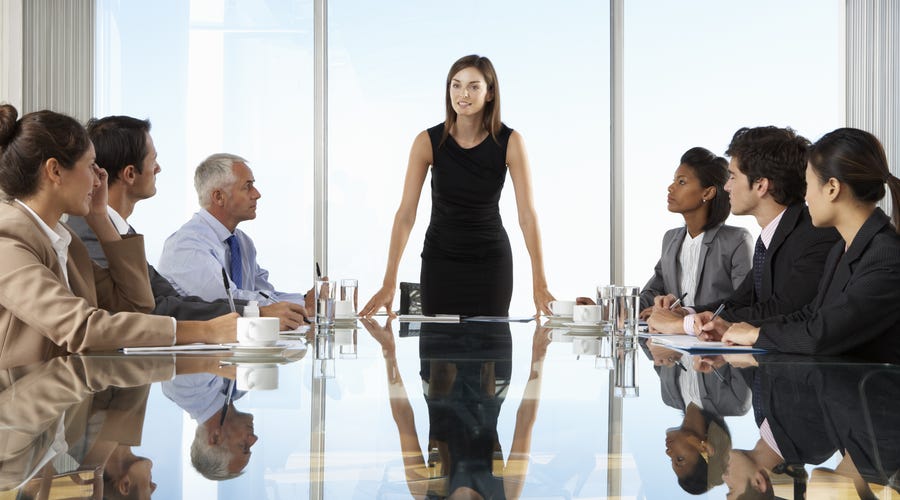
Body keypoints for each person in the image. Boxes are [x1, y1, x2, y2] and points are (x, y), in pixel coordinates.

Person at [0, 104, 236, 368]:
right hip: (17, 403)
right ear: (55, 171)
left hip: (63, 401)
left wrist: (100, 220)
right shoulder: (7, 242)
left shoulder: (65, 241)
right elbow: (80, 328)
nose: (99, 180)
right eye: (91, 166)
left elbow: (135, 306)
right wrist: (204, 331)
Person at [67, 116, 308, 330]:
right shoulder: (90, 232)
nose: (159, 168)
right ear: (130, 174)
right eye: (153, 161)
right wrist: (254, 315)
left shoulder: (121, 231)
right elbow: (148, 310)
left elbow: (171, 300)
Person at [360, 54, 554, 318]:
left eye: (474, 86)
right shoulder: (426, 142)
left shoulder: (510, 142)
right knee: (438, 351)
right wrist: (388, 282)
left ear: (489, 93)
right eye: (456, 84)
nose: (463, 93)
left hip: (491, 265)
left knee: (490, 352)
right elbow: (405, 214)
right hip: (440, 263)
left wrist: (539, 285)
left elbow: (527, 217)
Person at [705, 128, 900, 361]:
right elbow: (809, 315)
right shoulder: (842, 248)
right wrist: (731, 327)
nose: (805, 197)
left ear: (832, 188)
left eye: (808, 185)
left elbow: (822, 334)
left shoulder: (887, 255)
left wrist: (756, 334)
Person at [647, 126, 840, 335]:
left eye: (732, 177)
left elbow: (782, 309)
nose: (727, 187)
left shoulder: (816, 234)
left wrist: (688, 324)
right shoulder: (770, 237)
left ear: (761, 185)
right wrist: (685, 312)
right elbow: (738, 302)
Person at [157, 153, 312, 316]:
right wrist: (303, 305)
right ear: (219, 197)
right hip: (203, 340)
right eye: (247, 186)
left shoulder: (242, 242)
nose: (257, 194)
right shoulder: (186, 245)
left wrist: (306, 300)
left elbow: (266, 295)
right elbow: (229, 301)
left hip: (239, 337)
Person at [638, 147, 753, 318]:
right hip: (674, 339)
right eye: (674, 181)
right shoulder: (671, 238)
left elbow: (745, 304)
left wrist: (686, 315)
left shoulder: (737, 240)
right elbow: (652, 292)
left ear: (707, 192)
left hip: (715, 339)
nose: (671, 188)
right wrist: (607, 309)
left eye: (681, 182)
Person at [161, 374, 258, 480]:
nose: (254, 439)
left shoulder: (184, 389)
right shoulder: (239, 390)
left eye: (243, 446)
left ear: (215, 437)